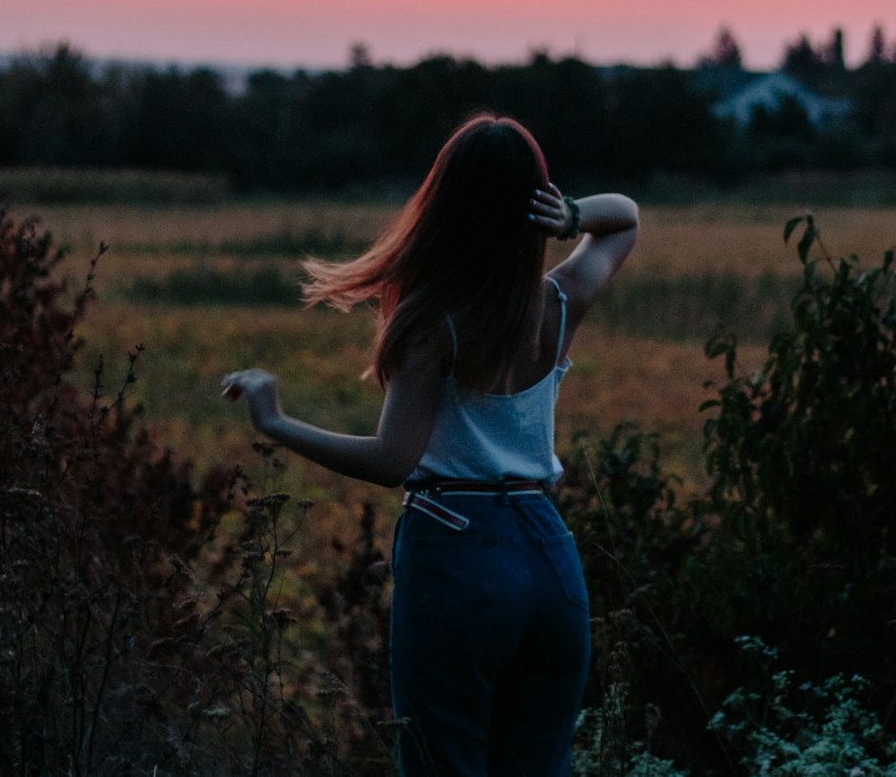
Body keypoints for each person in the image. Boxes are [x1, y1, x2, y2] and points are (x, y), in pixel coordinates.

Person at [221, 113, 639, 776]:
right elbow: (624, 220)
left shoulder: (434, 323)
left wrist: (276, 423)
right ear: (535, 206)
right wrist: (573, 215)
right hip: (551, 554)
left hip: (457, 547)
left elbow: (393, 461)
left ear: (445, 206)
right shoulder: (559, 301)